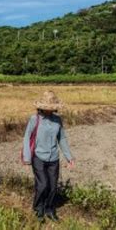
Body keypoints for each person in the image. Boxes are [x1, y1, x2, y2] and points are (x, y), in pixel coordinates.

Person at [23, 91, 75, 223]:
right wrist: (27, 157)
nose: (50, 109)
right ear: (41, 106)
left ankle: (49, 209)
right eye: (47, 106)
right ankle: (38, 207)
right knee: (42, 185)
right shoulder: (35, 119)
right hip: (38, 156)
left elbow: (61, 138)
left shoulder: (57, 120)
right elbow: (27, 137)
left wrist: (69, 156)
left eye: (52, 106)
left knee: (52, 186)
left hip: (53, 158)